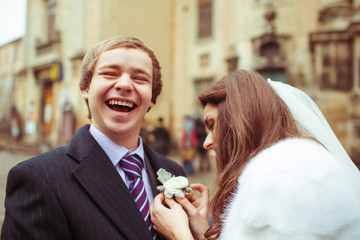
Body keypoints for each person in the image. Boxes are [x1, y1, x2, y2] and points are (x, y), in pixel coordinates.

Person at [1, 36, 185, 240]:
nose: (125, 84)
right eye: (109, 73)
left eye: (140, 78)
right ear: (85, 89)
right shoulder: (38, 178)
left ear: (152, 98)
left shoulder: (173, 172)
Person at [150, 70, 360, 240]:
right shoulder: (286, 164)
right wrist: (201, 230)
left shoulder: (282, 176)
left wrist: (180, 234)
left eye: (212, 125)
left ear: (240, 117)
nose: (206, 142)